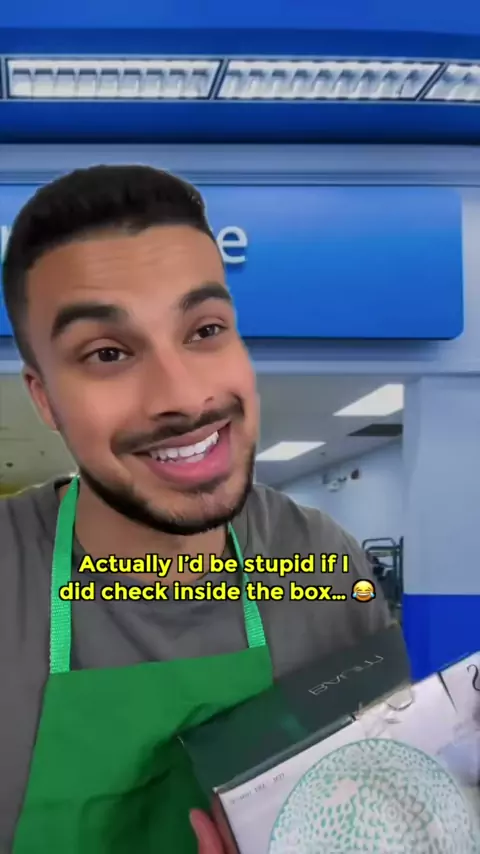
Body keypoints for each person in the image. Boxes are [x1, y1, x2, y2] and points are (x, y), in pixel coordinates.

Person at [0, 166, 391, 854]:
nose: (181, 396)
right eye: (108, 352)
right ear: (44, 399)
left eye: (205, 329)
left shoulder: (322, 565)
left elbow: (389, 810)